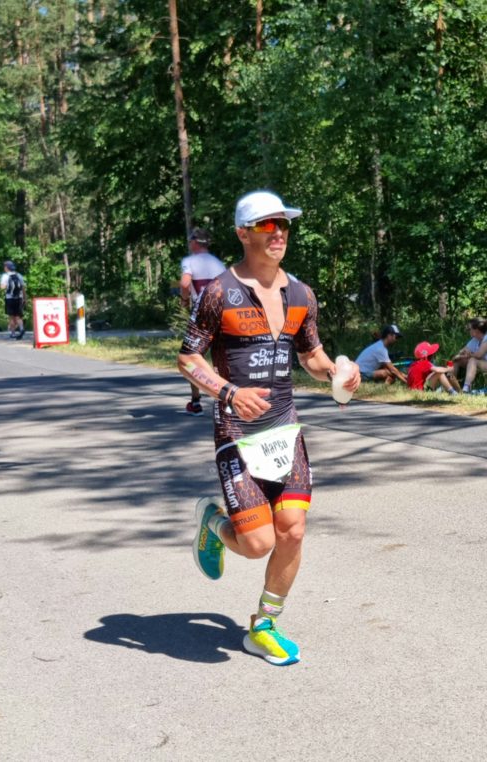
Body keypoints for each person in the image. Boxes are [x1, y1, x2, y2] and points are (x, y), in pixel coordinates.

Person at [177, 189, 359, 667]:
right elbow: (187, 356)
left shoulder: (301, 294)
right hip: (237, 430)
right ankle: (214, 523)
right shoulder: (218, 292)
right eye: (265, 225)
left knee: (292, 532)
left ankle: (263, 626)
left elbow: (311, 357)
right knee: (258, 544)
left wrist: (340, 374)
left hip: (285, 430)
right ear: (243, 233)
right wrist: (228, 392)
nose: (277, 233)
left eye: (283, 225)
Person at [178, 227, 226, 415]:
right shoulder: (218, 263)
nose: (189, 244)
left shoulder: (189, 261)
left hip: (201, 313)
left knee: (191, 356)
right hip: (222, 312)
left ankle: (196, 401)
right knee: (221, 356)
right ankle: (226, 399)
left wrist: (184, 301)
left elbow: (184, 283)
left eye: (190, 241)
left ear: (195, 242)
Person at [451, 316, 487, 393]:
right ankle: (451, 386)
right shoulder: (475, 339)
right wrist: (460, 355)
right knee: (457, 360)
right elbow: (463, 350)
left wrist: (466, 354)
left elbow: (479, 355)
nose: (469, 330)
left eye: (470, 329)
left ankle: (466, 388)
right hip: (485, 364)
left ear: (476, 330)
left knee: (473, 360)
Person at [0, 260, 26, 339]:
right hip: (19, 298)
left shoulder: (5, 276)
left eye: (5, 266)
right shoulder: (19, 275)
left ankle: (13, 333)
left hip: (9, 298)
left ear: (7, 268)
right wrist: (25, 298)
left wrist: (5, 285)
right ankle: (21, 329)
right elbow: (23, 288)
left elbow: (2, 287)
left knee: (11, 316)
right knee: (18, 316)